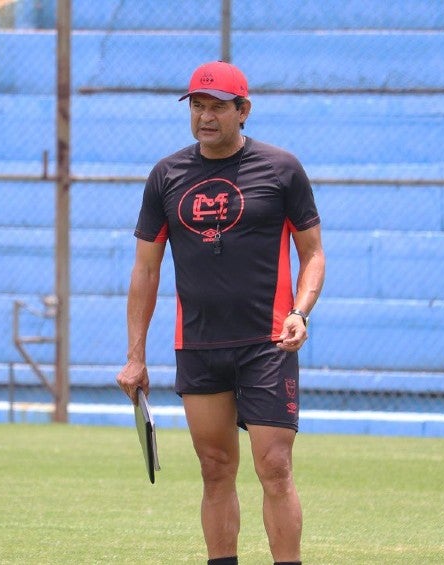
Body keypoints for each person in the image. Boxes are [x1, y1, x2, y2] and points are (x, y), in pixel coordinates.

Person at [115, 60, 325, 565]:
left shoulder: (281, 169)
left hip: (268, 343)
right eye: (198, 107)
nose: (206, 117)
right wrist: (135, 356)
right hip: (200, 344)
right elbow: (145, 270)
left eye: (217, 107)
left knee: (274, 467)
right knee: (214, 469)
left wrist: (301, 312)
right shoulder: (166, 175)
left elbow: (312, 253)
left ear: (242, 110)